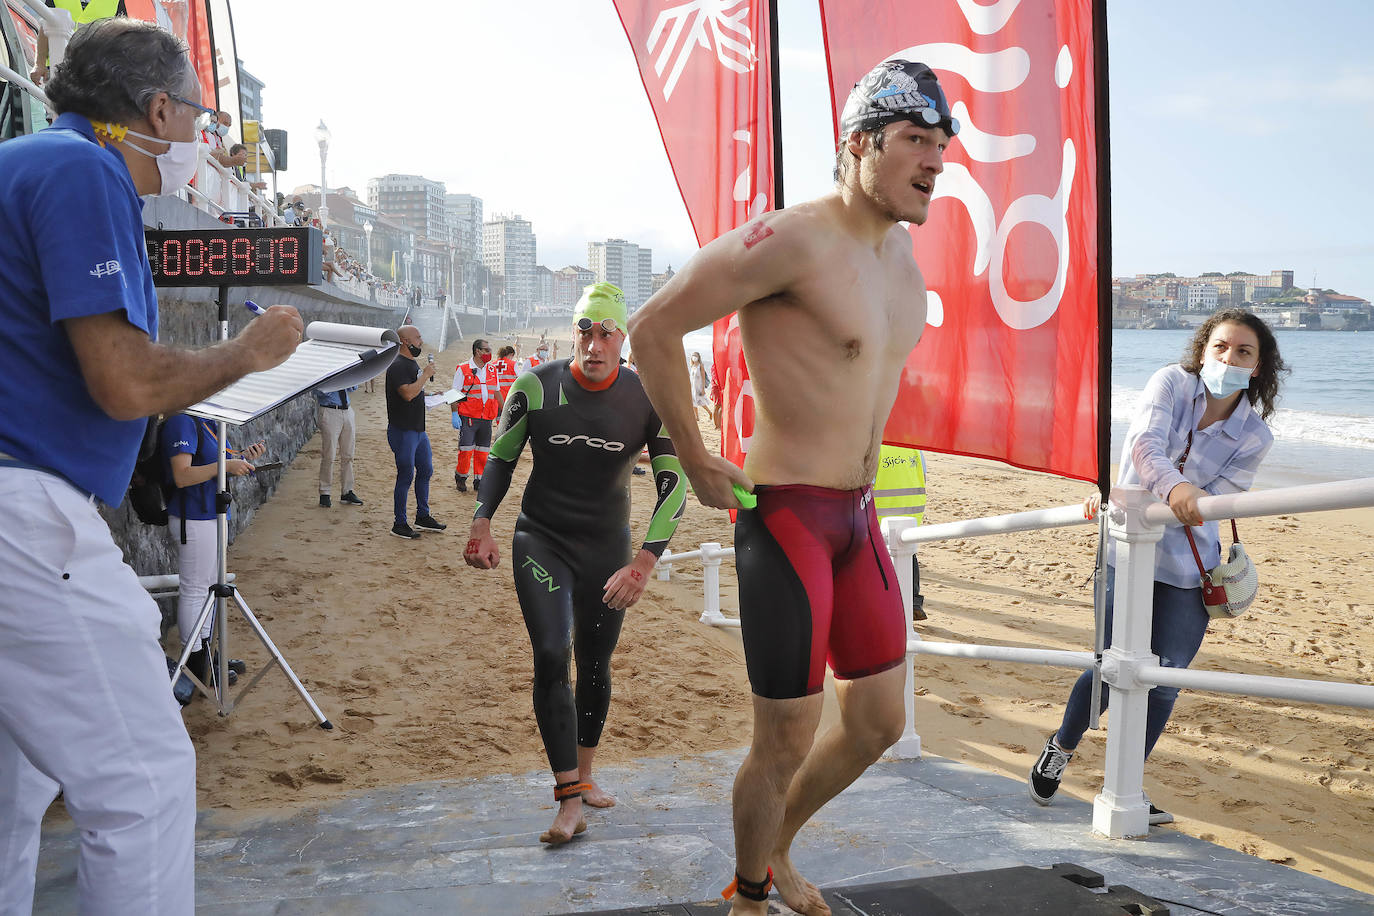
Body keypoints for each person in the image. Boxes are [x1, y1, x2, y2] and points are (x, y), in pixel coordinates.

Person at [630, 58, 956, 915]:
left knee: (880, 720)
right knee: (783, 736)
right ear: (858, 146)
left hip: (859, 515)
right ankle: (748, 896)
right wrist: (696, 457)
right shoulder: (792, 238)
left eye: (942, 144)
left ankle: (773, 851)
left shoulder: (904, 264)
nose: (935, 160)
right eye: (915, 141)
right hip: (786, 517)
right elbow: (653, 326)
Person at [0, 19, 302, 913]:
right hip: (27, 513)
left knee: (15, 791)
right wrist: (245, 354)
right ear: (157, 107)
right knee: (146, 781)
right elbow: (126, 381)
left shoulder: (20, 163)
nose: (200, 139)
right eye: (200, 119)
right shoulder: (81, 168)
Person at [1029, 309, 1284, 825]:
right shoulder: (1170, 382)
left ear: (1258, 367)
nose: (1228, 358)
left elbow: (1226, 499)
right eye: (1220, 347)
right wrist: (1180, 490)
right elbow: (1145, 447)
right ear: (1203, 349)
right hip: (1128, 548)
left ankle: (1128, 781)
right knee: (1108, 664)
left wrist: (1192, 499)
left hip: (1191, 565)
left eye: (1243, 352)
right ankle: (1061, 745)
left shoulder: (1255, 436)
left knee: (1164, 680)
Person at [464, 282, 687, 846]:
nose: (593, 342)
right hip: (541, 539)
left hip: (609, 552)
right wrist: (482, 521)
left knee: (594, 662)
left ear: (624, 341)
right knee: (549, 653)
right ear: (573, 332)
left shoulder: (645, 397)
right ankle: (568, 799)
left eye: (607, 331)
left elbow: (674, 486)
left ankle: (584, 776)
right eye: (584, 329)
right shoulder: (535, 386)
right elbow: (501, 457)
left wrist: (642, 564)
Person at [161, 413, 262, 703]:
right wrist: (225, 466)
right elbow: (182, 474)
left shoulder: (207, 421)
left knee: (209, 587)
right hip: (193, 515)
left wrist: (239, 459)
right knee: (195, 589)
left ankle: (206, 653)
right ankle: (194, 661)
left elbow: (212, 461)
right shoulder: (183, 420)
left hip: (211, 513)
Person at [385, 325, 445, 539]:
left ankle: (423, 515)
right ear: (404, 341)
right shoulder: (397, 365)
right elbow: (408, 394)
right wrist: (425, 375)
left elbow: (416, 391)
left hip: (418, 430)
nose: (421, 341)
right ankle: (399, 522)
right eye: (417, 338)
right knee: (406, 474)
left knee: (426, 470)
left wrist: (431, 394)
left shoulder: (411, 364)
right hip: (403, 430)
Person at [872, 444, 928, 621]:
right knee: (908, 554)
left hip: (882, 513)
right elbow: (923, 474)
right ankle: (913, 602)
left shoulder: (876, 444)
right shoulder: (914, 446)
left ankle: (887, 605)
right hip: (912, 511)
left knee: (878, 560)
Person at [452, 338, 499, 493]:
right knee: (465, 450)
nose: (489, 352)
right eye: (486, 350)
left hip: (486, 418)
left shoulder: (492, 369)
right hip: (469, 417)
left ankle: (479, 481)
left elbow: (497, 393)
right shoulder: (463, 368)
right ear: (477, 351)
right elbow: (455, 394)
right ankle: (461, 478)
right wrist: (454, 414)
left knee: (483, 451)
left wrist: (502, 414)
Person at [315, 387, 361, 508]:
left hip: (347, 410)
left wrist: (348, 379)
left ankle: (347, 491)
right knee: (329, 455)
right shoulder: (322, 370)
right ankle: (325, 492)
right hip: (330, 410)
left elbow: (353, 387)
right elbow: (318, 390)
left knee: (348, 454)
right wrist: (337, 384)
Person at [688, 351, 711, 424]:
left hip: (699, 387)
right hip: (693, 387)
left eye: (695, 356)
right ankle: (697, 417)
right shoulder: (692, 366)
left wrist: (703, 389)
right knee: (693, 402)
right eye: (693, 355)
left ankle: (709, 412)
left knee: (701, 402)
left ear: (698, 357)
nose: (694, 357)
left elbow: (703, 378)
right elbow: (691, 378)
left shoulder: (700, 366)